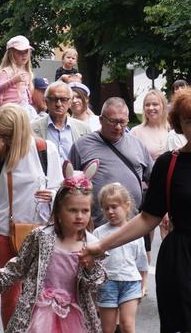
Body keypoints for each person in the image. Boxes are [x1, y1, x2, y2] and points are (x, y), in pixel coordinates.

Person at [81, 88, 191, 333]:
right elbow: (147, 218)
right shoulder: (168, 164)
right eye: (189, 121)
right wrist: (101, 245)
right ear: (180, 125)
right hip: (180, 261)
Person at [0, 160, 105, 332]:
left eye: (85, 211)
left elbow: (95, 284)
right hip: (39, 310)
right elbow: (20, 264)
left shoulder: (91, 244)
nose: (79, 216)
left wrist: (90, 267)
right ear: (59, 211)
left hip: (75, 313)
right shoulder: (42, 236)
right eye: (72, 210)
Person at [0, 104, 63, 326]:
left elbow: (61, 188)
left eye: (7, 135)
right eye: (0, 135)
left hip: (41, 234)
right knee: (9, 298)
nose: (3, 139)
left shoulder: (45, 150)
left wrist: (51, 194)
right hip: (5, 234)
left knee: (41, 295)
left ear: (20, 130)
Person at [69, 97, 153, 227]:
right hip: (95, 226)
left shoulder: (137, 145)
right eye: (113, 121)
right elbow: (70, 184)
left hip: (133, 226)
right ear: (101, 119)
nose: (118, 127)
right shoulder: (82, 145)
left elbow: (153, 179)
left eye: (123, 122)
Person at [93, 183, 148, 333]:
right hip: (107, 284)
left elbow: (142, 262)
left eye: (114, 206)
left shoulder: (135, 232)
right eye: (106, 208)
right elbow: (94, 262)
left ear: (127, 206)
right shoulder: (99, 233)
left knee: (127, 324)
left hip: (131, 282)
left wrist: (144, 284)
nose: (110, 211)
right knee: (108, 328)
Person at [31, 81, 91, 162]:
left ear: (70, 102)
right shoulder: (32, 128)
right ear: (46, 101)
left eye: (64, 99)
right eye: (53, 99)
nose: (58, 104)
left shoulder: (84, 129)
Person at [0, 35, 36, 118]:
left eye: (26, 51)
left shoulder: (27, 72)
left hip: (23, 108)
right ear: (11, 54)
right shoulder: (7, 71)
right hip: (9, 110)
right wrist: (13, 80)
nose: (24, 55)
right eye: (19, 52)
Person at [131, 89, 169, 161]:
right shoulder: (135, 132)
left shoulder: (172, 130)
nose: (151, 108)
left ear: (163, 106)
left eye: (155, 104)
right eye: (147, 105)